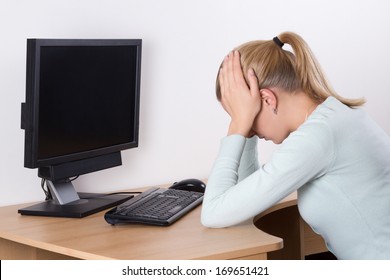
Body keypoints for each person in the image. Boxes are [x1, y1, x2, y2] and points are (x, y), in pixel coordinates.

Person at [200, 31, 390, 260]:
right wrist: (245, 128)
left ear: (268, 99)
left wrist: (239, 125)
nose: (248, 128)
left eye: (240, 113)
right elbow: (246, 198)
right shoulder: (332, 117)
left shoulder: (317, 138)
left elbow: (213, 213)